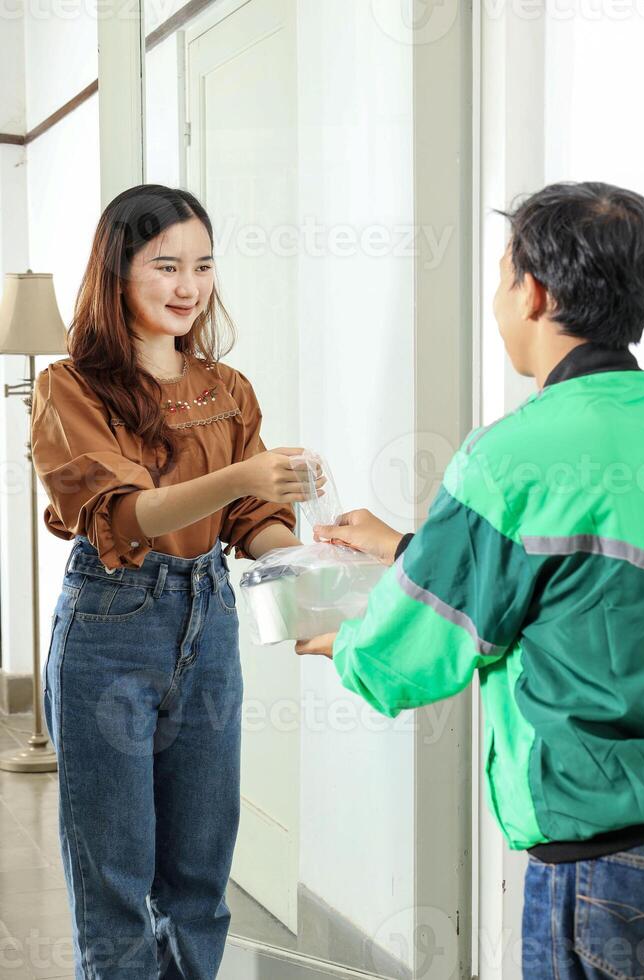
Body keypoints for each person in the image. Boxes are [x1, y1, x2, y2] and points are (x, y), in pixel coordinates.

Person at [296, 181, 644, 980]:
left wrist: (344, 643)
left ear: (533, 292)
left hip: (596, 861)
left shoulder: (511, 456)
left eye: (501, 277)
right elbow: (584, 586)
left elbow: (412, 657)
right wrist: (407, 547)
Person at [32, 183, 324, 979]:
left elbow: (250, 521)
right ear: (117, 272)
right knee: (117, 879)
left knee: (200, 874)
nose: (188, 286)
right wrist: (240, 475)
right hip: (108, 630)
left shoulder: (226, 389)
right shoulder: (70, 388)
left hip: (211, 621)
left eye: (201, 264)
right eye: (165, 265)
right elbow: (130, 516)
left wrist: (301, 556)